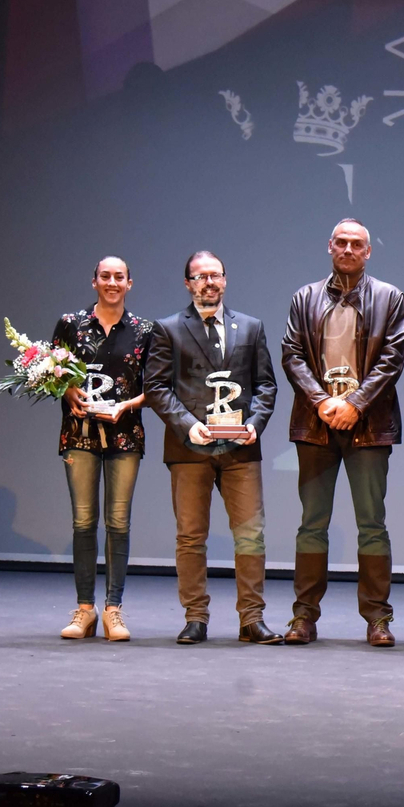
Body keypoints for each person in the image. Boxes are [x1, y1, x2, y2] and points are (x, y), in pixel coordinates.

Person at [280, 218, 404, 647]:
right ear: (329, 247)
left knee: (372, 524)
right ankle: (304, 617)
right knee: (311, 524)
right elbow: (292, 355)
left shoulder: (391, 298)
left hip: (368, 426)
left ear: (368, 252)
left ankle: (377, 618)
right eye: (342, 242)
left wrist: (354, 404)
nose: (349, 249)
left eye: (358, 244)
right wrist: (322, 402)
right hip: (316, 425)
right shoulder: (305, 297)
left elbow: (391, 360)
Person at [144, 251, 280, 644]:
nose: (209, 282)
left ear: (225, 280)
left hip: (240, 450)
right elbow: (155, 387)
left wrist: (254, 425)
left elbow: (266, 384)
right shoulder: (168, 328)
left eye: (215, 275)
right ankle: (195, 618)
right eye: (200, 276)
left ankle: (251, 620)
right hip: (190, 450)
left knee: (251, 535)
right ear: (188, 283)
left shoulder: (251, 327)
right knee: (190, 536)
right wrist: (189, 426)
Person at [53, 256, 154, 641]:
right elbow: (49, 372)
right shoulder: (71, 324)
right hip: (78, 434)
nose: (112, 282)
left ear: (130, 283)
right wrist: (67, 389)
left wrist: (127, 405)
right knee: (82, 522)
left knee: (118, 522)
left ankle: (114, 610)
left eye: (120, 277)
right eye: (105, 276)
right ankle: (84, 610)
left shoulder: (144, 330)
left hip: (125, 436)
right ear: (93, 281)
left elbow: (157, 386)